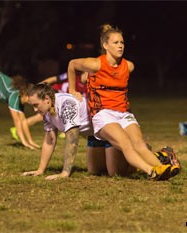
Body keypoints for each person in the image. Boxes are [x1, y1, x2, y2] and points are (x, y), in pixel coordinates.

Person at [66, 24, 180, 180]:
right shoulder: (94, 64)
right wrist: (72, 89)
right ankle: (151, 171)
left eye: (122, 43)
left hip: (124, 113)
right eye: (116, 43)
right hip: (103, 114)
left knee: (138, 143)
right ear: (105, 45)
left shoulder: (128, 66)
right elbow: (72, 64)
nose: (120, 46)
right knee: (121, 149)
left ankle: (162, 169)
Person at [21, 84, 177, 180]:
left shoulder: (65, 104)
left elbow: (72, 141)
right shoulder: (47, 112)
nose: (34, 109)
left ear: (47, 99)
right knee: (95, 170)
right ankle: (141, 153)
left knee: (116, 172)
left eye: (36, 105)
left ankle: (159, 155)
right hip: (94, 134)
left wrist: (65, 173)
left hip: (107, 126)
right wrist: (40, 170)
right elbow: (50, 140)